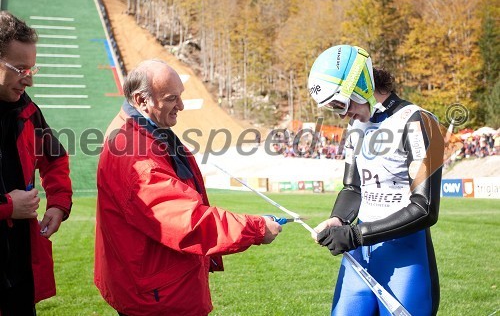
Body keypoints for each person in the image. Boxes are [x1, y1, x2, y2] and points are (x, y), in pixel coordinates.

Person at [94, 59, 282, 316]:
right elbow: (189, 221)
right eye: (172, 98)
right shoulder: (136, 156)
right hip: (158, 297)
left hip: (155, 283)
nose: (181, 106)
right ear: (141, 100)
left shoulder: (142, 130)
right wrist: (257, 228)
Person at [308, 45, 444, 316]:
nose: (342, 114)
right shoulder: (357, 127)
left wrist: (357, 235)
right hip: (361, 254)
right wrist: (338, 220)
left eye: (340, 104)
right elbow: (353, 188)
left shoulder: (419, 121)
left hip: (405, 255)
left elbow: (425, 208)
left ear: (359, 86)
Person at [0, 11, 73, 315]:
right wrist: (6, 206)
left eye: (32, 68)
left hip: (18, 269)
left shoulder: (28, 109)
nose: (28, 79)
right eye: (20, 68)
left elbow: (55, 159)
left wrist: (57, 204)